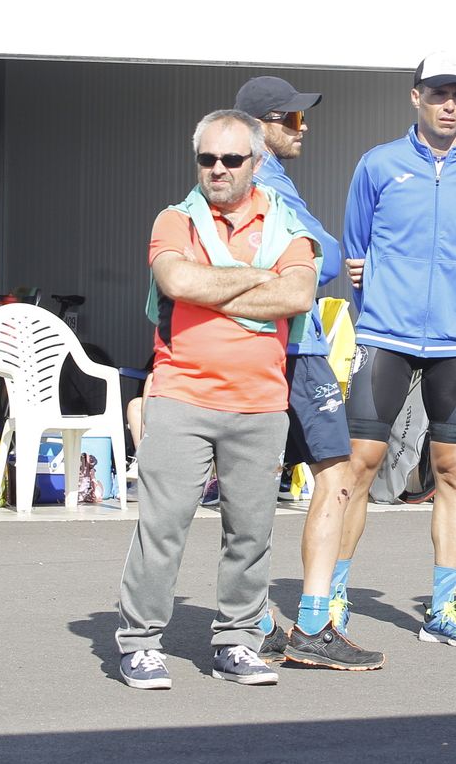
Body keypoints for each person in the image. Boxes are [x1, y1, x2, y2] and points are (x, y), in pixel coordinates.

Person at [114, 109, 320, 690]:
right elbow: (177, 283)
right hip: (182, 396)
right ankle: (139, 643)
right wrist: (258, 277)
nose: (218, 170)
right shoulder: (174, 220)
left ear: (256, 162)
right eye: (207, 159)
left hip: (259, 404)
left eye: (232, 159)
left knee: (251, 533)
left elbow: (299, 293)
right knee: (163, 526)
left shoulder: (285, 222)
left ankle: (237, 640)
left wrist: (217, 281)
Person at [335, 55, 456, 648]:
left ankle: (443, 607)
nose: (450, 103)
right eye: (438, 92)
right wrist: (381, 292)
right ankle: (332, 596)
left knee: (453, 472)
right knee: (357, 467)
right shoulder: (379, 165)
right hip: (386, 335)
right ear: (416, 97)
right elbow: (354, 248)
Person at [231, 74, 385, 671]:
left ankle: (258, 618)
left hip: (255, 348)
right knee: (336, 473)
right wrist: (331, 251)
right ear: (261, 130)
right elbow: (317, 253)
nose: (303, 126)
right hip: (296, 347)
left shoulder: (230, 187)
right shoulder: (268, 181)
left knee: (255, 481)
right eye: (291, 119)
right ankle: (314, 624)